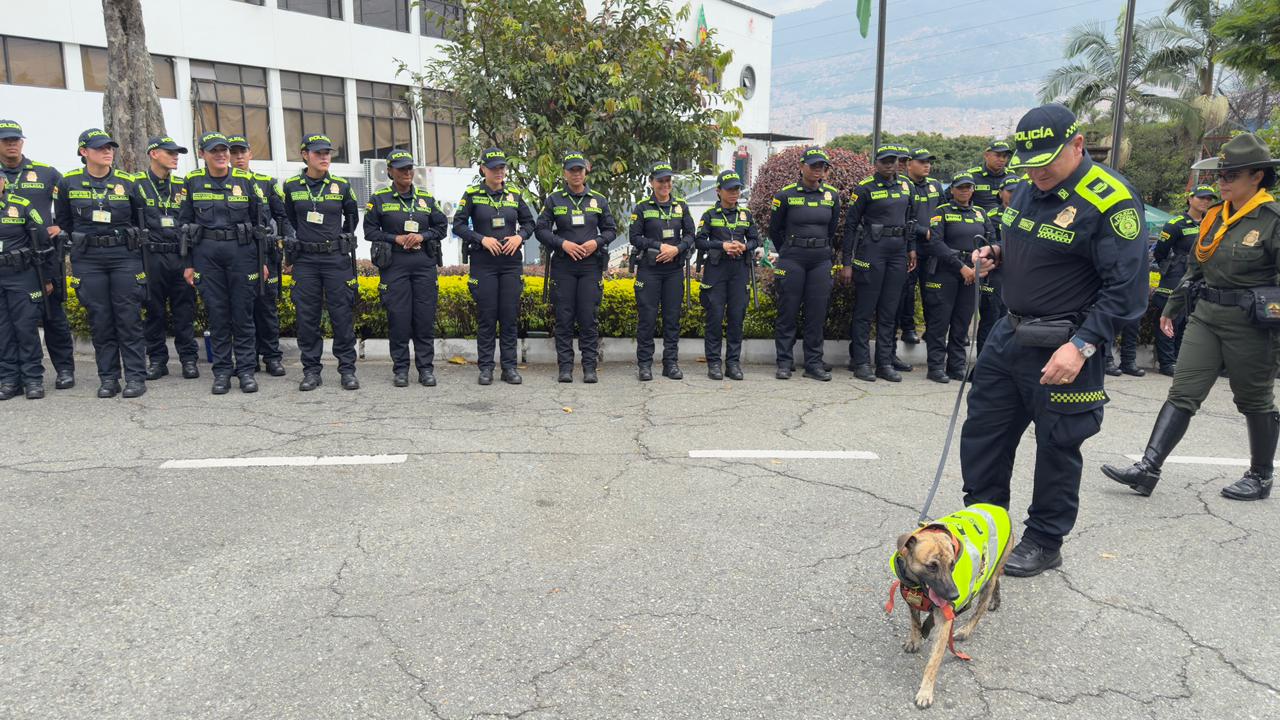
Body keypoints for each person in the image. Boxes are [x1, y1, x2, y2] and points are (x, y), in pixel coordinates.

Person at [961, 104, 1147, 576]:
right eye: (1031, 163)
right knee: (985, 432)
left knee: (1058, 445)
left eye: (1049, 161)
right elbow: (1035, 244)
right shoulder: (1026, 189)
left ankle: (1044, 539)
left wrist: (1083, 346)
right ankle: (985, 524)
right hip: (1010, 333)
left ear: (1078, 145)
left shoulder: (1110, 201)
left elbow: (1126, 290)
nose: (1039, 172)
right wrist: (999, 253)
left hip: (1067, 342)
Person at [1102, 133, 1280, 502]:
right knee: (1183, 391)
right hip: (1207, 316)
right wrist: (1173, 306)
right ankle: (1148, 469)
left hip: (1252, 323)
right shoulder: (1215, 216)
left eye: (1232, 174)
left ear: (1257, 176)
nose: (1223, 181)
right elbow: (1195, 268)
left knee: (1254, 399)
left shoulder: (1271, 220)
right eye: (1221, 175)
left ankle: (1260, 476)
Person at [54, 128, 161, 399]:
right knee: (100, 320)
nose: (107, 151)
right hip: (88, 259)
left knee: (128, 318)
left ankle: (135, 377)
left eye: (110, 147)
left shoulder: (128, 182)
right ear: (83, 152)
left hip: (124, 257)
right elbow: (64, 222)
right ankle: (109, 378)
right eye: (100, 147)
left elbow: (142, 220)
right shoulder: (69, 183)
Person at [177, 131, 268, 394]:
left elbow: (259, 222)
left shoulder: (244, 179)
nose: (221, 155)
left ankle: (247, 371)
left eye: (224, 150)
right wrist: (189, 263)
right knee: (217, 315)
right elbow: (184, 224)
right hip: (207, 255)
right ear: (202, 154)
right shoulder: (192, 181)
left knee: (243, 315)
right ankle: (222, 372)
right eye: (214, 150)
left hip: (241, 253)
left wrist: (261, 260)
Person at [281, 134, 360, 391]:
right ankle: (311, 371)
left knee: (342, 316)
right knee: (307, 318)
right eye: (318, 153)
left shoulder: (342, 185)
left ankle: (347, 370)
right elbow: (289, 219)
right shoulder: (291, 186)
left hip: (335, 258)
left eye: (328, 152)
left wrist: (340, 239)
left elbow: (351, 218)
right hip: (305, 260)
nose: (325, 157)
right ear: (305, 155)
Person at [0, 119, 74, 390]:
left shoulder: (45, 173)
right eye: (6, 140)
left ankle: (65, 369)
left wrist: (62, 226)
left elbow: (72, 200)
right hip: (11, 262)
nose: (12, 144)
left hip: (44, 257)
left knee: (53, 315)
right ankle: (15, 376)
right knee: (12, 323)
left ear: (22, 142)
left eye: (16, 139)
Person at [366, 149, 448, 387]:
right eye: (402, 169)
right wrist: (396, 239)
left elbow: (441, 228)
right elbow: (369, 231)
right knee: (399, 318)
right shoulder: (379, 199)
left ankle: (425, 369)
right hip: (394, 265)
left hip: (423, 264)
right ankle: (400, 369)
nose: (407, 172)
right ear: (390, 171)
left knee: (424, 318)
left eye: (410, 168)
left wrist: (422, 236)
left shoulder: (426, 198)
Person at [454, 148, 535, 385]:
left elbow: (530, 223)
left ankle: (509, 368)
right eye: (494, 168)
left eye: (502, 168)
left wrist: (520, 237)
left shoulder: (515, 194)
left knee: (509, 317)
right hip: (483, 263)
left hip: (510, 264)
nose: (499, 172)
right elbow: (458, 226)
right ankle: (486, 368)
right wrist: (481, 239)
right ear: (483, 170)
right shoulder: (472, 194)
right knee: (487, 317)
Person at [535, 150, 616, 384]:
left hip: (591, 265)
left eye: (579, 170)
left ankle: (589, 367)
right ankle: (566, 367)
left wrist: (596, 242)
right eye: (572, 170)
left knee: (589, 317)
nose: (576, 174)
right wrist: (563, 243)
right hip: (564, 265)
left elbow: (611, 229)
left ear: (585, 172)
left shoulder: (598, 200)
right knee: (564, 317)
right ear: (564, 173)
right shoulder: (554, 199)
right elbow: (541, 230)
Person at [839, 145, 917, 382]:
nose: (890, 165)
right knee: (865, 310)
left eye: (893, 161)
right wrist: (847, 262)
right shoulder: (865, 188)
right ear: (876, 163)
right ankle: (861, 362)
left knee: (889, 311)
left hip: (897, 252)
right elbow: (850, 226)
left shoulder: (906, 186)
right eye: (885, 161)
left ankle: (884, 363)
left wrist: (911, 249)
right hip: (872, 252)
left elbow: (910, 219)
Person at [770, 146, 840, 381]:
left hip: (820, 259)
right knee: (787, 311)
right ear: (801, 167)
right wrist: (789, 251)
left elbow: (832, 229)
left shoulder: (831, 195)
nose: (818, 170)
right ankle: (784, 362)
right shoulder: (785, 195)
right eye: (813, 166)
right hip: (793, 258)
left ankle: (813, 363)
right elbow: (774, 230)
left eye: (822, 166)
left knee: (816, 313)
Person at [229, 134, 292, 378]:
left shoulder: (266, 183)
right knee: (242, 308)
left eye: (242, 152)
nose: (239, 157)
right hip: (237, 256)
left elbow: (283, 217)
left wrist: (286, 248)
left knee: (267, 308)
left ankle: (272, 357)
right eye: (234, 153)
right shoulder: (223, 185)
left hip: (266, 254)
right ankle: (248, 358)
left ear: (250, 154)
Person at [138, 135, 199, 382]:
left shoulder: (183, 186)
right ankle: (157, 361)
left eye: (177, 153)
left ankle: (188, 360)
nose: (175, 157)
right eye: (170, 152)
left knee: (185, 310)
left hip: (179, 254)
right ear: (154, 154)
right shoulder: (137, 184)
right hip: (151, 256)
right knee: (153, 311)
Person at [921, 172, 991, 383]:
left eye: (968, 187)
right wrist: (961, 267)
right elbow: (936, 243)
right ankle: (935, 367)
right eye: (960, 187)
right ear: (952, 190)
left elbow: (991, 240)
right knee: (939, 322)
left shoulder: (980, 213)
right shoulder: (941, 212)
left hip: (973, 273)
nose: (965, 191)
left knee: (962, 323)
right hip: (946, 272)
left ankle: (956, 366)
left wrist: (980, 267)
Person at [629, 162, 695, 381]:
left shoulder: (681, 206)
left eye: (668, 180)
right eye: (660, 181)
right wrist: (660, 246)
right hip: (650, 270)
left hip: (674, 270)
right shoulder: (642, 207)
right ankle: (645, 365)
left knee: (672, 318)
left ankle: (671, 364)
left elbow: (690, 235)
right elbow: (635, 237)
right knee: (647, 318)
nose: (665, 184)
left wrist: (676, 249)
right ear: (652, 183)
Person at [695, 169, 760, 381]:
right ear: (719, 191)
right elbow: (700, 241)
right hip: (716, 270)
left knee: (736, 316)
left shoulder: (746, 215)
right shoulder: (709, 216)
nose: (734, 193)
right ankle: (713, 363)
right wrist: (722, 245)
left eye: (737, 189)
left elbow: (755, 240)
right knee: (714, 316)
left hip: (739, 270)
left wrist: (744, 245)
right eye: (730, 189)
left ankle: (733, 363)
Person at [1150, 184, 1218, 376]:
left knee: (1190, 320)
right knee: (1171, 317)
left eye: (1209, 199)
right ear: (1190, 199)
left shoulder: (1212, 223)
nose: (1206, 202)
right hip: (1177, 276)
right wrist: (1174, 268)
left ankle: (1181, 361)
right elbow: (1160, 253)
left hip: (1202, 277)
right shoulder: (1176, 223)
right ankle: (1167, 362)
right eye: (1201, 197)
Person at [0, 173, 54, 400]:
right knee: (2, 331)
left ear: (3, 181)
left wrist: (48, 278)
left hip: (21, 275)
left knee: (25, 327)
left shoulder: (21, 205)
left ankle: (33, 378)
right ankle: (9, 380)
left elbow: (42, 240)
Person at [900, 147, 944, 347]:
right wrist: (921, 230)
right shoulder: (902, 185)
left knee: (932, 291)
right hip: (911, 247)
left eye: (929, 161)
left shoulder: (935, 185)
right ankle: (908, 329)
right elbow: (901, 216)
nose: (927, 165)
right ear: (909, 164)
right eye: (922, 161)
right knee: (908, 290)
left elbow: (943, 211)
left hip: (933, 248)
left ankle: (931, 329)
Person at [976, 175, 1020, 356]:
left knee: (1014, 322)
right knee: (991, 320)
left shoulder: (1030, 216)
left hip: (1020, 276)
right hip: (996, 275)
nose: (1014, 195)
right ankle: (983, 363)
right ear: (1000, 193)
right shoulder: (992, 216)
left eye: (1018, 191)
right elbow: (988, 246)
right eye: (1010, 191)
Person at [967, 140, 1013, 212]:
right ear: (986, 155)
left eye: (1005, 156)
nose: (1001, 159)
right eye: (997, 155)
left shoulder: (1012, 177)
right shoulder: (971, 176)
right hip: (979, 220)